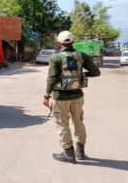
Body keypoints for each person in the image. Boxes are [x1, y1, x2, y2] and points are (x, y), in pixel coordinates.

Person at [43, 31, 100, 164]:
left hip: (60, 97)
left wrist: (46, 96)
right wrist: (79, 76)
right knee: (78, 122)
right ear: (73, 42)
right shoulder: (82, 56)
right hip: (78, 96)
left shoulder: (56, 58)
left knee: (62, 124)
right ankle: (80, 152)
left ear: (59, 43)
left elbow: (51, 78)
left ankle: (69, 154)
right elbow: (96, 72)